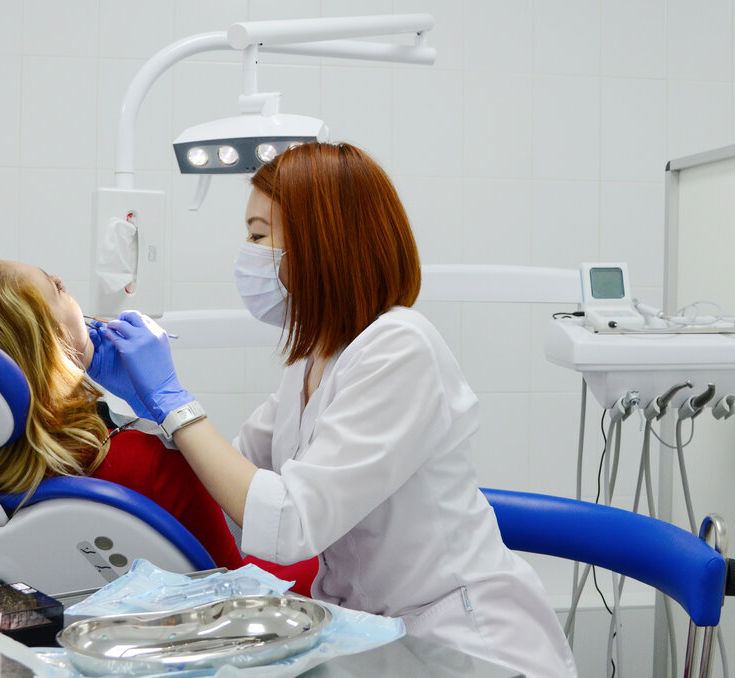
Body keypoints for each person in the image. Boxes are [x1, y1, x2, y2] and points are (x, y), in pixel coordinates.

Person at [94, 142, 579, 676]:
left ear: (321, 244)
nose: (246, 255)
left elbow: (288, 524)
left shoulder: (400, 347)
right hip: (375, 634)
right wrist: (149, 406)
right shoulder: (313, 360)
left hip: (467, 643)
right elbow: (231, 490)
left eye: (258, 236)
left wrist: (173, 399)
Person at [0, 255, 249, 570]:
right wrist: (161, 408)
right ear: (50, 342)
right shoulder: (148, 465)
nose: (62, 281)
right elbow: (238, 583)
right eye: (56, 287)